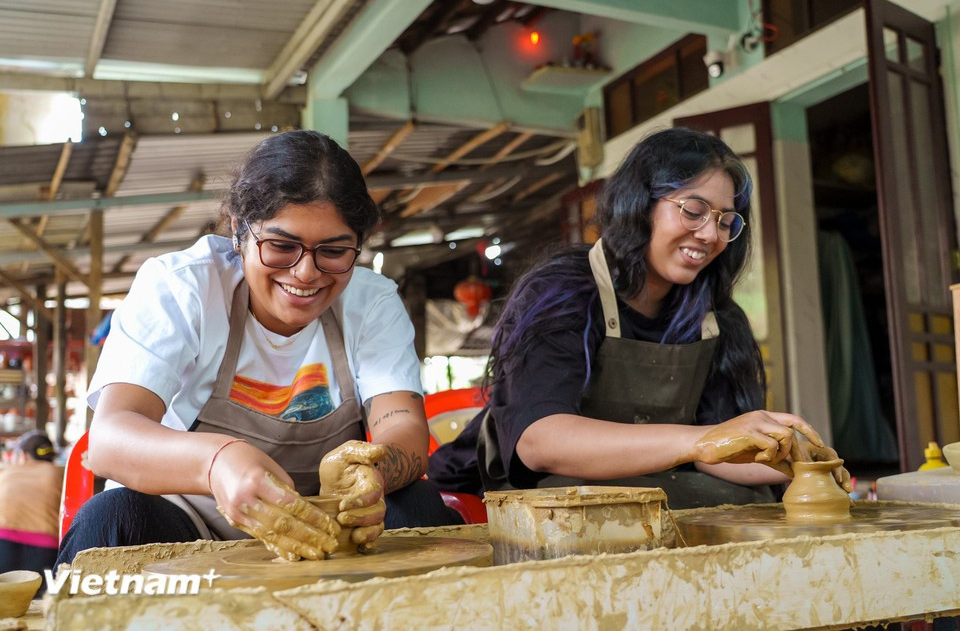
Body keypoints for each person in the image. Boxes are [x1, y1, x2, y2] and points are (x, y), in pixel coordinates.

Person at [58, 130, 460, 566]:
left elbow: (403, 430)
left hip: (327, 531)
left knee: (417, 503)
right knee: (112, 518)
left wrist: (375, 474)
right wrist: (215, 464)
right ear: (238, 230)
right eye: (281, 246)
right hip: (189, 524)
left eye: (334, 251)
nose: (306, 272)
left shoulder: (371, 303)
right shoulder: (183, 286)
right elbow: (110, 439)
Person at [429, 127, 851, 509]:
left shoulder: (718, 317)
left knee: (755, 497)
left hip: (645, 477)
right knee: (584, 499)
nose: (710, 234)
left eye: (725, 221)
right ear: (640, 205)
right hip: (505, 485)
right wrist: (699, 442)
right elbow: (540, 442)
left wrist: (792, 457)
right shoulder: (561, 292)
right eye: (694, 210)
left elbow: (720, 454)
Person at [0, 430, 63, 574]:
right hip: (45, 548)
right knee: (38, 595)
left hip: (2, 541)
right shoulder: (58, 474)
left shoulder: (6, 473)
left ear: (23, 455)